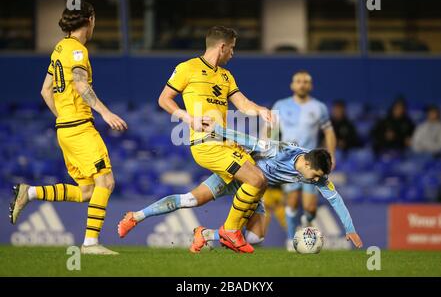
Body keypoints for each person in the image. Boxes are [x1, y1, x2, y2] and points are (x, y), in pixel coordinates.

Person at [118, 126, 363, 253]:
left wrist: (350, 229)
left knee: (256, 238)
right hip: (236, 174)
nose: (317, 181)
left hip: (255, 189)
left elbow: (336, 199)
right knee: (191, 201)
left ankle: (204, 235)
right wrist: (216, 131)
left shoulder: (315, 175)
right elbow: (245, 138)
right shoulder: (278, 150)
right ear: (307, 163)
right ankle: (135, 216)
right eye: (317, 175)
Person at [9, 2, 127, 255]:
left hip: (65, 127)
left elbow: (45, 90)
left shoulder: (59, 48)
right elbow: (81, 83)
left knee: (87, 191)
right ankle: (90, 244)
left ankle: (29, 192)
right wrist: (105, 112)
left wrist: (63, 116)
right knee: (105, 181)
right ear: (90, 20)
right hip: (80, 127)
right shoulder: (77, 51)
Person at [157, 26, 273, 253]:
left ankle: (214, 233)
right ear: (222, 47)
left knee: (261, 180)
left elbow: (243, 104)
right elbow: (164, 99)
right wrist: (187, 117)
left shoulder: (226, 76)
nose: (233, 54)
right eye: (232, 49)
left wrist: (260, 110)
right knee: (256, 180)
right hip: (206, 143)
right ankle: (229, 231)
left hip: (226, 143)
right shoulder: (187, 68)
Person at [271, 71, 337, 251]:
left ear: (311, 86)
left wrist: (331, 155)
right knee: (291, 201)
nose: (302, 85)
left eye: (305, 82)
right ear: (292, 85)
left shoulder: (319, 107)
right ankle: (291, 240)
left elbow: (329, 132)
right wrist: (269, 151)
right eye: (298, 81)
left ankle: (306, 221)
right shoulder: (280, 105)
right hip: (289, 162)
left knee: (310, 208)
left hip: (312, 165)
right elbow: (271, 131)